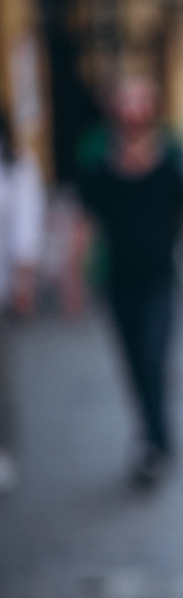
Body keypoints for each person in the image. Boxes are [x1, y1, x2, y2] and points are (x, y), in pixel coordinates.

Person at [75, 76, 183, 488]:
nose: (133, 112)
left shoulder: (172, 161)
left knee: (155, 359)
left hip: (162, 281)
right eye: (126, 103)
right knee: (134, 364)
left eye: (140, 102)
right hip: (117, 284)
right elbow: (84, 225)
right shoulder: (100, 166)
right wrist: (74, 279)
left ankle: (154, 444)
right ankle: (154, 439)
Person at [0, 114, 45, 494]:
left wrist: (24, 282)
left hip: (2, 289)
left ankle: (4, 447)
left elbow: (25, 231)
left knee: (3, 374)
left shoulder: (16, 169)